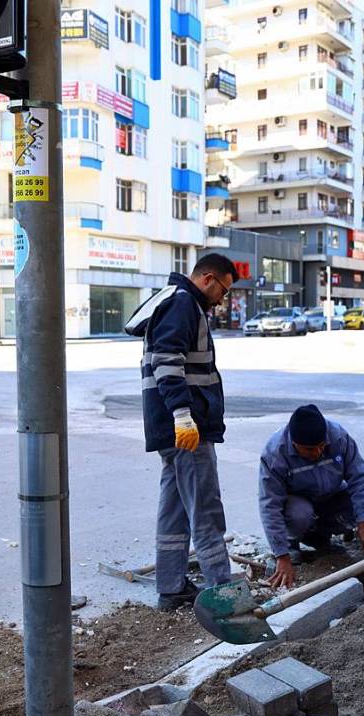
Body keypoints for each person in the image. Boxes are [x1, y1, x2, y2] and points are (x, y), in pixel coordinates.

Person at [124, 254, 240, 611]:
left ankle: (171, 587)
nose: (223, 299)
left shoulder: (176, 300)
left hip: (173, 427)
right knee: (205, 508)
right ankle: (224, 594)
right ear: (208, 278)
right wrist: (182, 414)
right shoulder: (183, 304)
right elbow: (167, 361)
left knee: (174, 510)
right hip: (186, 429)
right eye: (223, 289)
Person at [258, 404, 364, 589]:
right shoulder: (275, 454)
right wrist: (281, 555)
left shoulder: (338, 437)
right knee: (301, 514)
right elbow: (269, 506)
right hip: (298, 505)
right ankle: (292, 544)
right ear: (294, 444)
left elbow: (359, 477)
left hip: (332, 496)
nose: (317, 453)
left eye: (321, 446)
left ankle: (319, 537)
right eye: (309, 449)